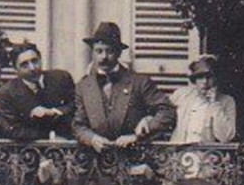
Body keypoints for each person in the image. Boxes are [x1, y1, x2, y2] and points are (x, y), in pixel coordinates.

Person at [71, 21, 176, 152]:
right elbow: (78, 125)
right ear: (92, 53)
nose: (104, 57)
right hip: (96, 163)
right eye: (99, 51)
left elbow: (168, 112)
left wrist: (143, 130)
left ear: (119, 53)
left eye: (110, 51)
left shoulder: (139, 82)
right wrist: (92, 138)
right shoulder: (83, 86)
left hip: (134, 158)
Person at [0, 41, 76, 142]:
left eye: (34, 61)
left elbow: (76, 105)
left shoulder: (61, 78)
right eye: (24, 65)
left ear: (40, 58)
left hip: (68, 146)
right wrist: (50, 136)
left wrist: (54, 112)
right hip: (28, 151)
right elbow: (11, 129)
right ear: (15, 69)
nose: (32, 68)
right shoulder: (7, 92)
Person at [169, 54, 238, 145]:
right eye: (200, 77)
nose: (205, 82)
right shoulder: (181, 95)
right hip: (179, 153)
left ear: (216, 79)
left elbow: (226, 137)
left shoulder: (227, 101)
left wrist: (214, 104)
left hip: (207, 155)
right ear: (195, 80)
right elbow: (164, 113)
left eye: (209, 77)